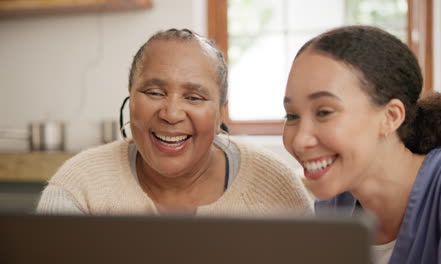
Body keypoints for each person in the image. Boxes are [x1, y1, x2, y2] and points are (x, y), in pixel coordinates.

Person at [37, 28, 313, 216]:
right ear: (130, 99)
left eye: (193, 97)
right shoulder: (79, 187)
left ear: (220, 114)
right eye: (154, 93)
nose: (171, 114)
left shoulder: (276, 186)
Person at [282, 25, 441, 264]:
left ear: (390, 117)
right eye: (292, 116)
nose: (299, 140)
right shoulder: (336, 203)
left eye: (324, 112)